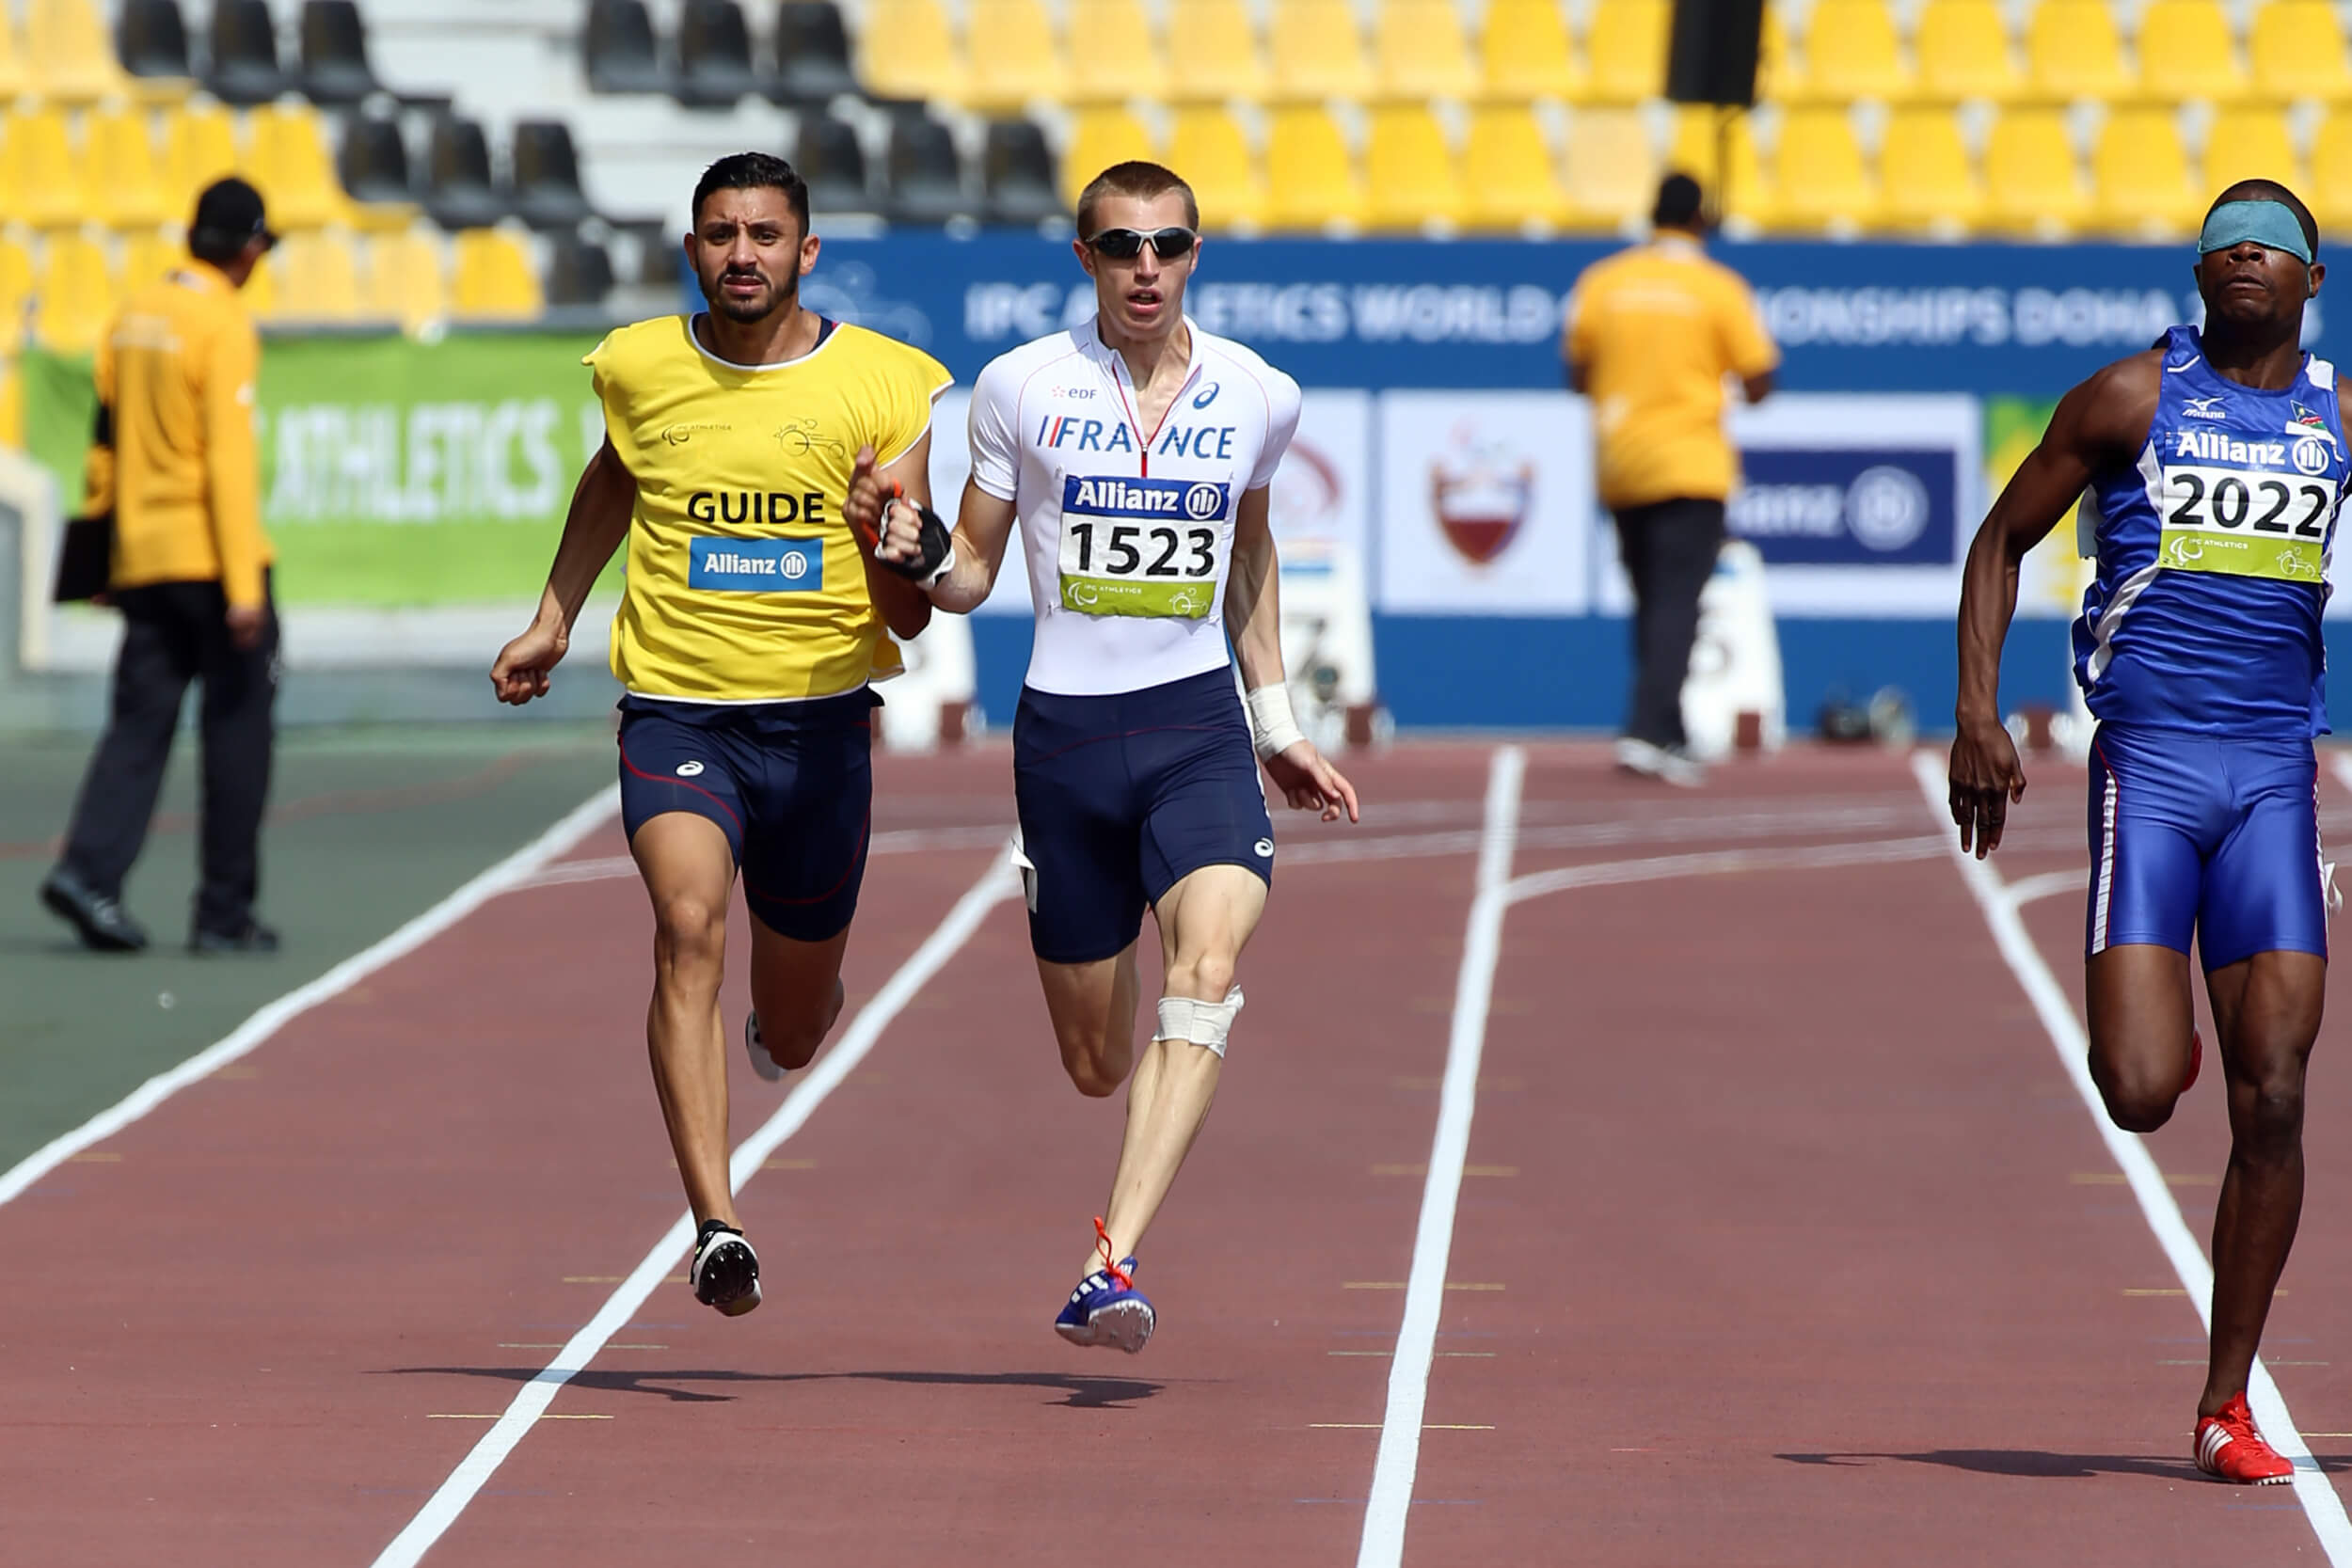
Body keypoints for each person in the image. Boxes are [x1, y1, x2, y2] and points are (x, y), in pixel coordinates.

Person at [856, 160, 1359, 1353]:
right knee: (1094, 1060)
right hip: (1067, 747)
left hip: (1196, 736)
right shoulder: (1018, 386)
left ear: (1195, 255)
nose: (1147, 268)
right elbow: (972, 575)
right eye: (1122, 248)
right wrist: (914, 545)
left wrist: (1277, 726)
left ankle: (1111, 1260)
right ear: (1084, 258)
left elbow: (1249, 553)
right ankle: (1081, 914)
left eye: (1169, 246)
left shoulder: (1258, 395)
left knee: (1208, 967)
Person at [490, 152, 948, 1318]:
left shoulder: (887, 385)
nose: (740, 253)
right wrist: (554, 617)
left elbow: (909, 607)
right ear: (691, 249)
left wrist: (875, 538)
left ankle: (780, 1019)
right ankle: (716, 1223)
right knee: (685, 923)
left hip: (820, 726)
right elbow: (616, 477)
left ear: (808, 250)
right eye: (717, 233)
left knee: (793, 1028)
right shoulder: (641, 365)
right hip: (679, 711)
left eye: (763, 233)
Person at [1948, 180, 2344, 1484]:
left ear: (2310, 284)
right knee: (2135, 1089)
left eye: (2273, 247)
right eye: (2226, 242)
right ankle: (2156, 1045)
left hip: (2274, 781)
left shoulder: (2335, 418)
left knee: (2275, 1094)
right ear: (2197, 276)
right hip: (2154, 772)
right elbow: (2002, 539)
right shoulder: (2127, 398)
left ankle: (2226, 1402)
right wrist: (1977, 714)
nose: (2246, 256)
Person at [40, 177, 281, 956]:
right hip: (212, 561)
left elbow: (104, 445)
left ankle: (89, 869)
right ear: (246, 249)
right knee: (238, 732)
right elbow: (228, 463)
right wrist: (244, 585)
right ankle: (222, 913)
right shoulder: (222, 322)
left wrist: (105, 559)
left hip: (143, 557)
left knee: (138, 727)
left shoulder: (132, 315)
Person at [1565, 171, 1778, 787]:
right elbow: (1760, 378)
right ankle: (1647, 729)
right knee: (1677, 602)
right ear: (1701, 222)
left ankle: (1669, 727)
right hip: (1690, 462)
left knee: (1653, 600)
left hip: (1623, 461)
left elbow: (1577, 372)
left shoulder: (1604, 281)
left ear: (1650, 214)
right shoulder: (1717, 288)